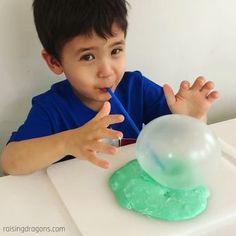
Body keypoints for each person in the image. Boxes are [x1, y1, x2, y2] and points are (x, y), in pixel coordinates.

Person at [0, 0, 219, 175]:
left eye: (115, 51)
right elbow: (10, 162)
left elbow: (179, 146)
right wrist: (67, 142)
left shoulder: (136, 88)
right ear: (55, 62)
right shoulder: (52, 108)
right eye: (88, 56)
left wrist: (192, 121)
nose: (107, 71)